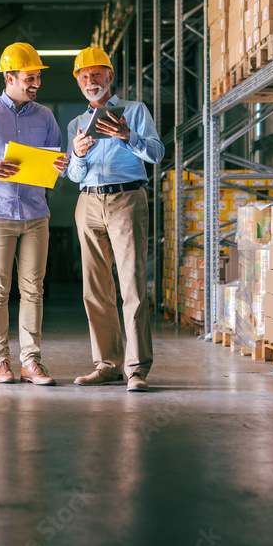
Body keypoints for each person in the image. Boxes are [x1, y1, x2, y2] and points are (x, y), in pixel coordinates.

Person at [0, 42, 68, 386]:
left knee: (33, 289)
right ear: (9, 77)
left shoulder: (45, 116)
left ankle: (31, 362)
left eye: (37, 78)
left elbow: (59, 165)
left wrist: (63, 164)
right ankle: (0, 360)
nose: (36, 84)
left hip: (35, 213)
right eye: (30, 78)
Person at [65, 46, 165, 392]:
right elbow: (75, 176)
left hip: (127, 199)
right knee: (95, 290)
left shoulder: (135, 111)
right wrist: (77, 155)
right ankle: (107, 364)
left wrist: (127, 136)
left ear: (110, 76)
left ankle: (135, 370)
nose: (91, 80)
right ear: (78, 82)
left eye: (97, 74)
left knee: (132, 286)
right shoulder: (76, 124)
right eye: (84, 76)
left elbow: (157, 152)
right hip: (88, 202)